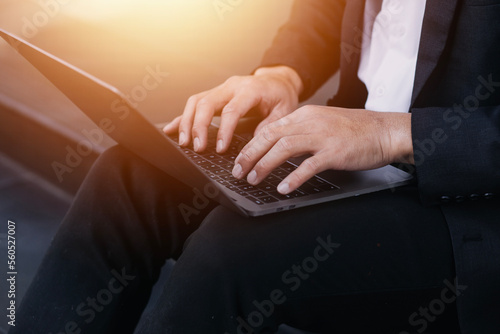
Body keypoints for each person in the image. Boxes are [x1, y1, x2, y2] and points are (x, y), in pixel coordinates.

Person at [11, 0, 500, 333]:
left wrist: (395, 133)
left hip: (465, 205)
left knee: (231, 253)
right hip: (348, 145)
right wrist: (283, 72)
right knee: (130, 178)